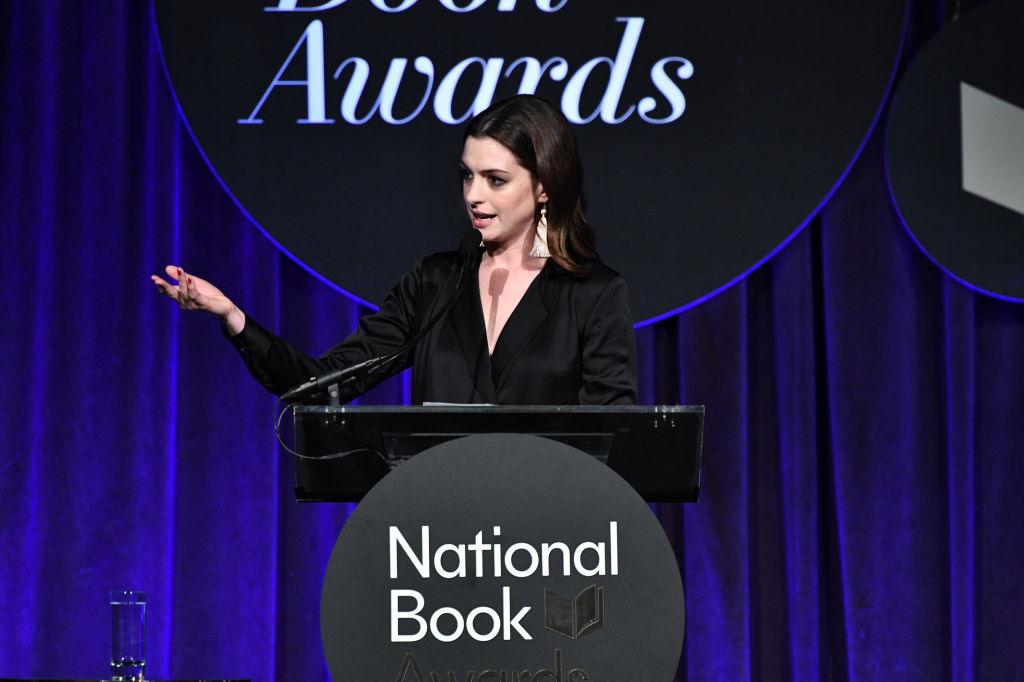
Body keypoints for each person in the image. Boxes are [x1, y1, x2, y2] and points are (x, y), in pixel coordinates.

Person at [152, 95, 637, 405]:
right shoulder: (434, 284)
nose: (473, 194)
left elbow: (611, 439)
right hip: (436, 541)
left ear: (546, 186)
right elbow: (322, 384)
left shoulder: (592, 294)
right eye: (467, 175)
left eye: (496, 180)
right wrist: (233, 317)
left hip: (550, 542)